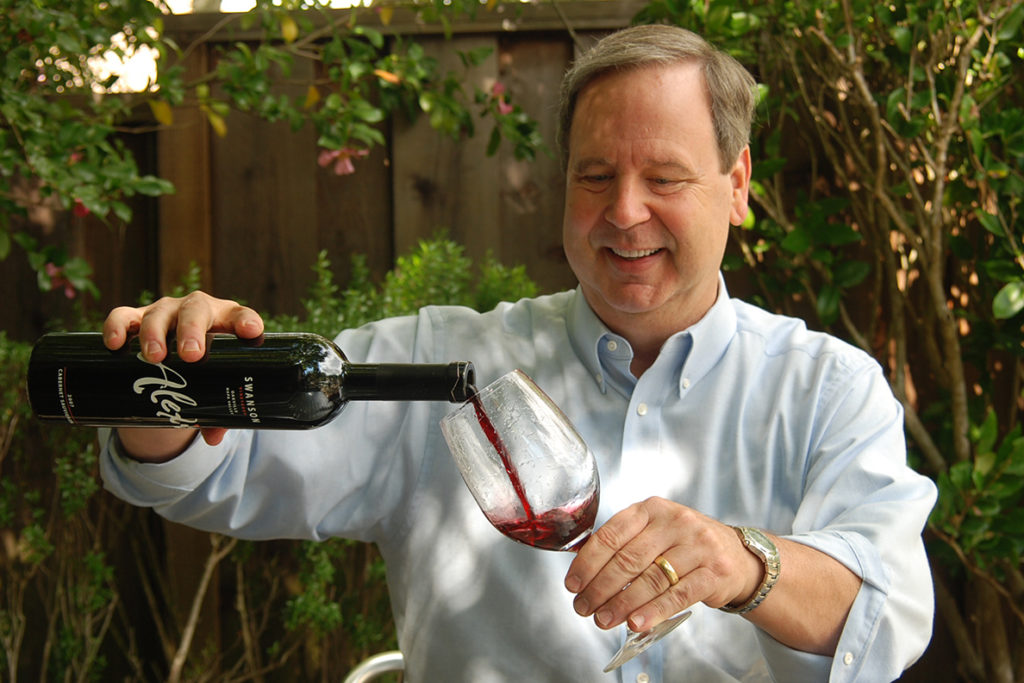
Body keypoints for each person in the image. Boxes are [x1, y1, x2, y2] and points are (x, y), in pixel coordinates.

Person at [99, 24, 936, 682]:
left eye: (667, 179)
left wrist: (744, 564)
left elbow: (889, 613)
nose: (625, 212)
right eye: (595, 175)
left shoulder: (828, 387)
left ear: (739, 184)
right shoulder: (440, 358)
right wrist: (169, 388)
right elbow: (224, 470)